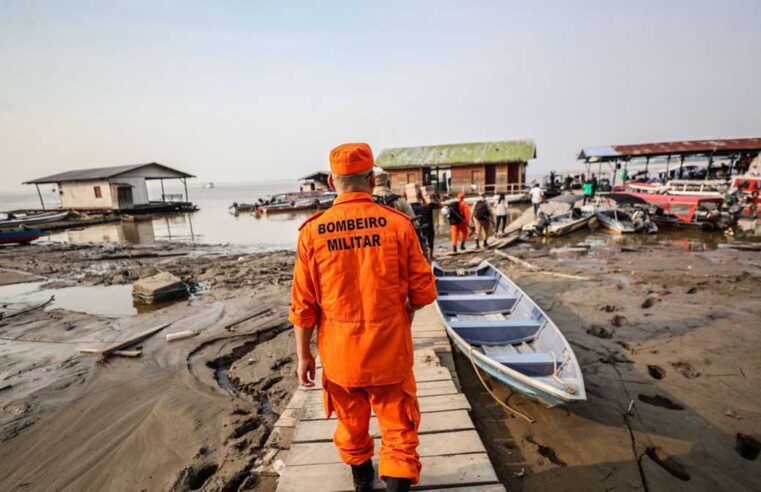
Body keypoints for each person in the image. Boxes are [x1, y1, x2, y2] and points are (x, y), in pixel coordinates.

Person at [290, 143, 437, 492]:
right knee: (399, 428)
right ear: (371, 179)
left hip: (340, 354)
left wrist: (304, 355)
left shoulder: (313, 232)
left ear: (331, 181)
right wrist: (405, 316)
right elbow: (423, 291)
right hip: (389, 349)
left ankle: (361, 479)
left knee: (351, 423)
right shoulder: (398, 225)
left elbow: (303, 304)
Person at [419, 189, 440, 258]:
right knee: (430, 241)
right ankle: (430, 256)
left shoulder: (420, 207)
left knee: (423, 240)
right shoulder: (431, 206)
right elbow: (439, 205)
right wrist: (435, 198)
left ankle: (425, 255)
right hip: (430, 225)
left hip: (423, 226)